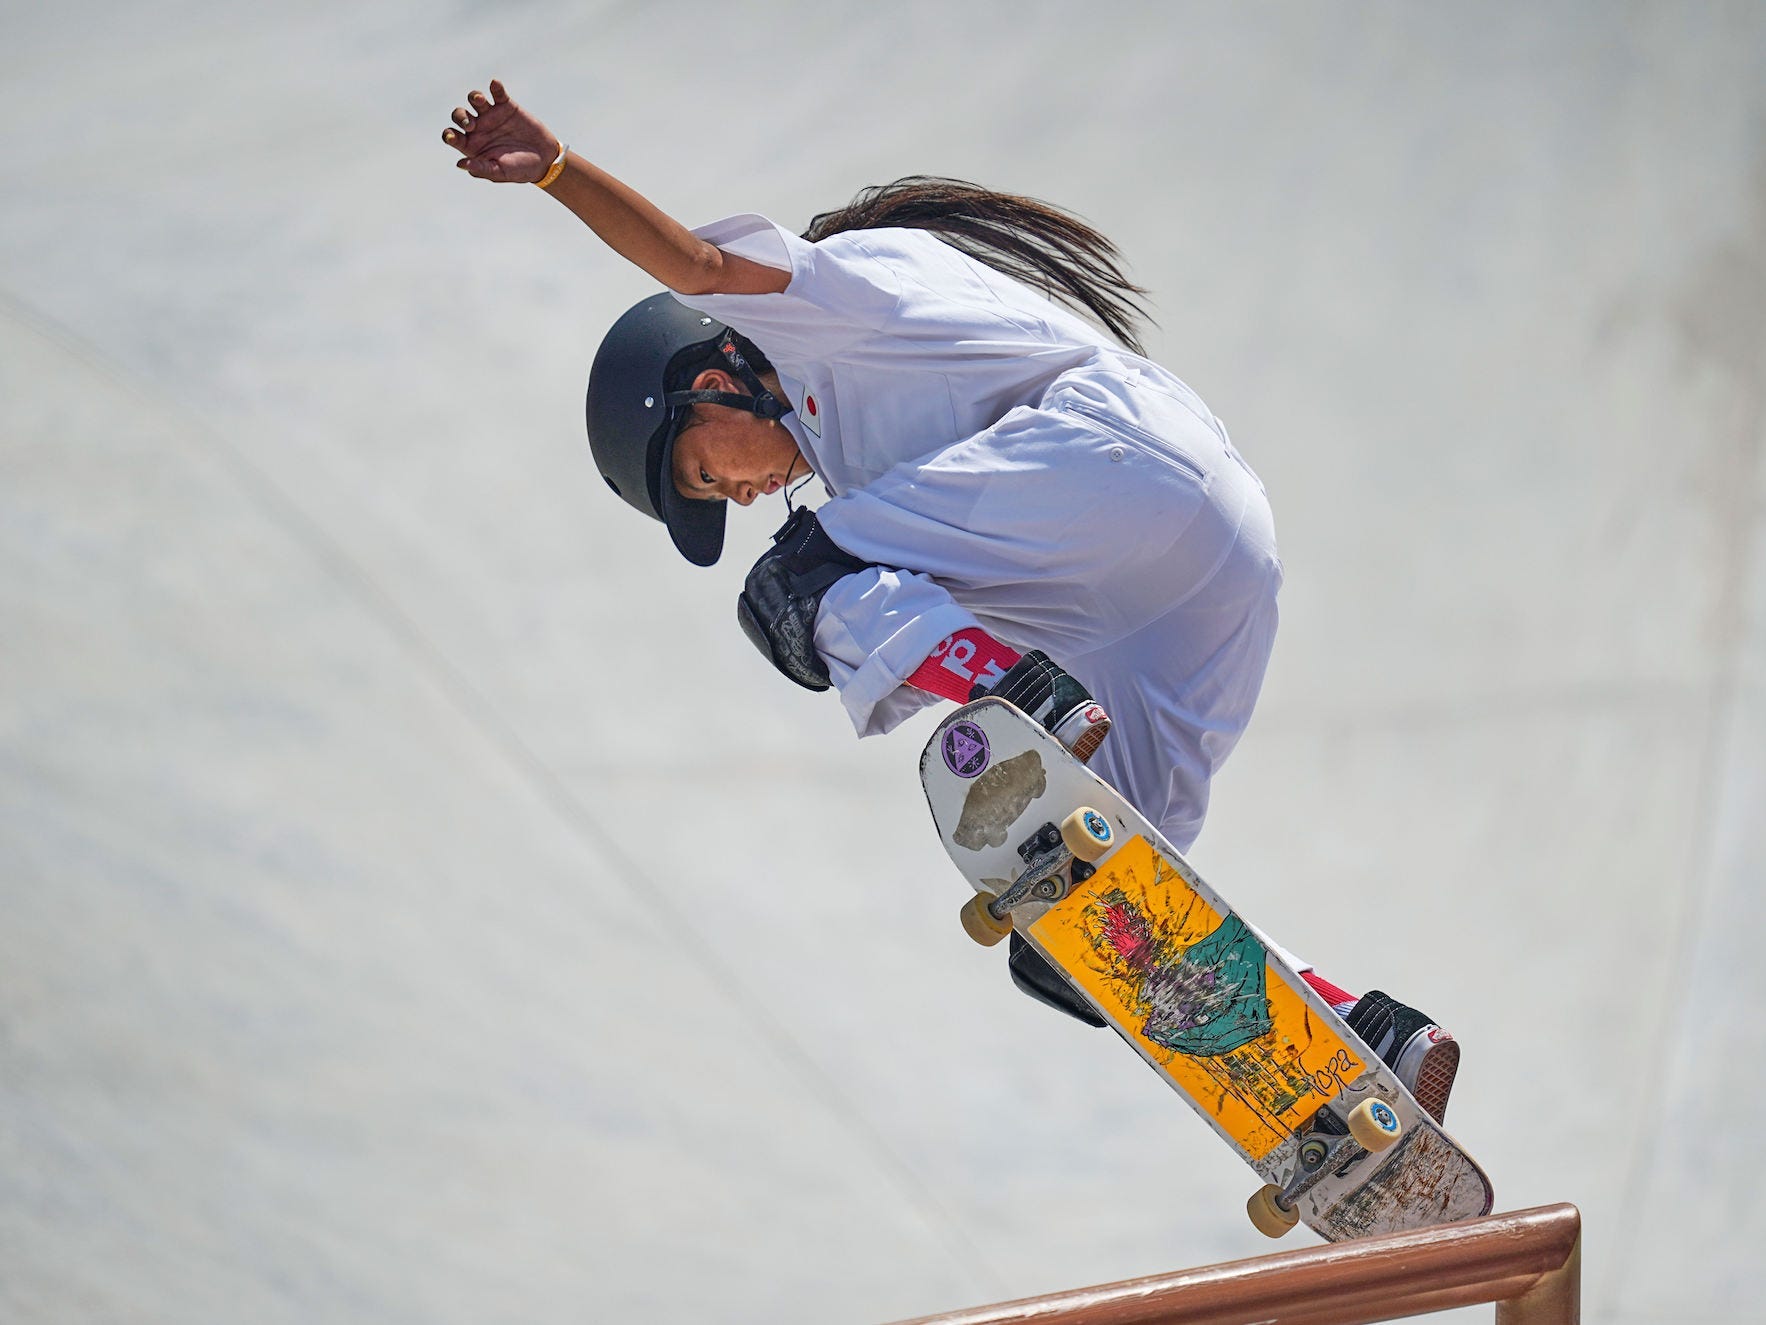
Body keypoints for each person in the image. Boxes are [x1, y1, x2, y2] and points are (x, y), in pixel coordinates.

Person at [443, 80, 1461, 1122]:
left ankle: (1017, 697)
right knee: (1093, 913)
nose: (742, 493)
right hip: (1210, 572)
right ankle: (1360, 1049)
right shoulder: (877, 495)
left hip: (1112, 460)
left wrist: (559, 170)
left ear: (706, 375)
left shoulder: (811, 313)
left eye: (707, 474)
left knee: (796, 588)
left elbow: (692, 265)